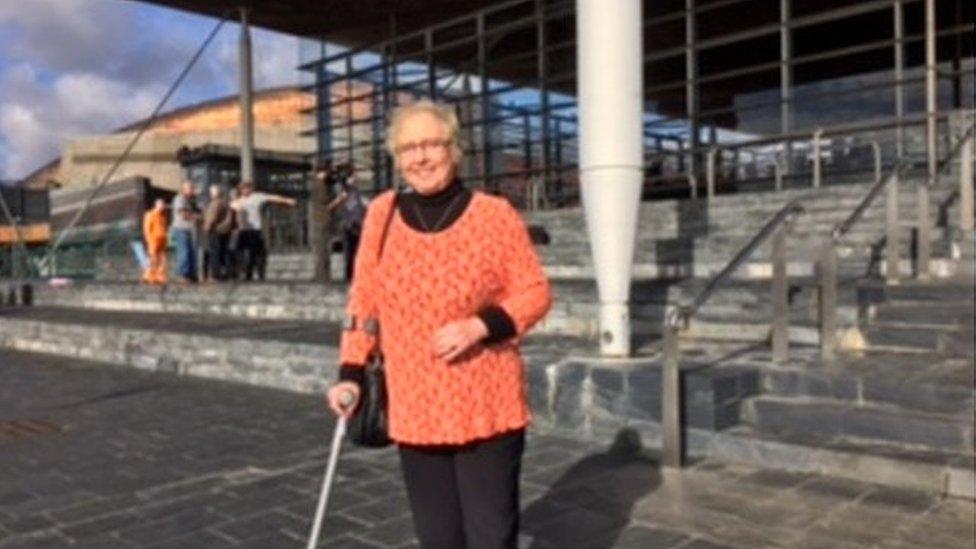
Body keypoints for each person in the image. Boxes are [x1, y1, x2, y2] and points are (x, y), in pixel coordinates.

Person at [326, 100, 552, 549]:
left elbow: (535, 291)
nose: (420, 157)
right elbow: (364, 300)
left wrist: (479, 326)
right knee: (438, 538)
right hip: (416, 406)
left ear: (454, 149)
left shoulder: (494, 214)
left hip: (486, 402)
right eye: (408, 147)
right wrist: (350, 373)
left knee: (491, 536)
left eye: (432, 144)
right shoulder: (383, 214)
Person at [232, 181, 298, 281]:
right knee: (241, 252)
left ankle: (256, 273)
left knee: (256, 252)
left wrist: (287, 200)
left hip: (255, 229)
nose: (245, 191)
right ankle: (245, 272)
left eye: (247, 188)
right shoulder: (238, 201)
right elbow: (233, 207)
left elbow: (273, 198)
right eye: (243, 189)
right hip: (243, 230)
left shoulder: (257, 197)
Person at [326, 164, 367, 281]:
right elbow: (337, 205)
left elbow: (358, 205)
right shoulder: (341, 188)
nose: (356, 177)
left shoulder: (354, 190)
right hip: (348, 223)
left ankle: (355, 274)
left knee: (357, 250)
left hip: (356, 222)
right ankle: (349, 275)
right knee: (350, 251)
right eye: (353, 175)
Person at [202, 185, 234, 281]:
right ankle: (227, 273)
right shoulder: (226, 202)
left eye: (211, 192)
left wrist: (207, 228)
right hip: (225, 231)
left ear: (213, 194)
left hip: (216, 231)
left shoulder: (215, 203)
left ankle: (215, 275)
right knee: (224, 253)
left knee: (215, 253)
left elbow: (212, 217)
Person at [170, 181, 200, 284]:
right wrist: (197, 217)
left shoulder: (191, 200)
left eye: (192, 188)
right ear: (183, 189)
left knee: (191, 252)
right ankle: (183, 275)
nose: (192, 190)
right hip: (181, 228)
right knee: (184, 252)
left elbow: (198, 210)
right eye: (190, 188)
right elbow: (183, 214)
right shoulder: (180, 199)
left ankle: (191, 274)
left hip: (190, 229)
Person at [141, 198, 168, 285]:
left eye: (163, 205)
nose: (162, 207)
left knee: (162, 259)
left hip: (162, 240)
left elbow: (164, 228)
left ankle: (159, 276)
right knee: (153, 259)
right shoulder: (150, 214)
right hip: (153, 240)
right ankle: (149, 275)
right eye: (161, 205)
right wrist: (149, 240)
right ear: (156, 205)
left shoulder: (162, 216)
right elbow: (147, 229)